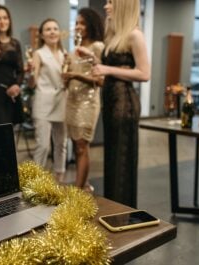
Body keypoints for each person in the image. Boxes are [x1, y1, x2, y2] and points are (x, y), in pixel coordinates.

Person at [77, 0, 150, 207]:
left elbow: (144, 73)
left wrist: (107, 70)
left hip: (124, 103)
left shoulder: (135, 35)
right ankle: (114, 209)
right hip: (111, 101)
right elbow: (113, 66)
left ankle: (122, 212)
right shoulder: (116, 35)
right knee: (112, 158)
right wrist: (93, 58)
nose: (106, 7)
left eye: (111, 3)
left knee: (121, 160)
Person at [62, 8, 104, 193]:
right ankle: (84, 185)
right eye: (77, 23)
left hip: (88, 103)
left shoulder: (97, 48)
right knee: (75, 144)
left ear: (91, 25)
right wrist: (66, 78)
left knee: (81, 146)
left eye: (83, 23)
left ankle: (78, 191)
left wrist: (75, 76)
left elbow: (101, 80)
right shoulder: (73, 52)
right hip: (71, 101)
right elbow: (67, 78)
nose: (78, 26)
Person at [29, 18, 67, 182]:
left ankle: (59, 178)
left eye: (55, 29)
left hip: (62, 102)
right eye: (48, 29)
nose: (52, 32)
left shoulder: (65, 54)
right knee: (43, 145)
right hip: (43, 103)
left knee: (61, 144)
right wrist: (31, 73)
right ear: (42, 35)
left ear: (59, 33)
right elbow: (32, 83)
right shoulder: (38, 54)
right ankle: (36, 183)